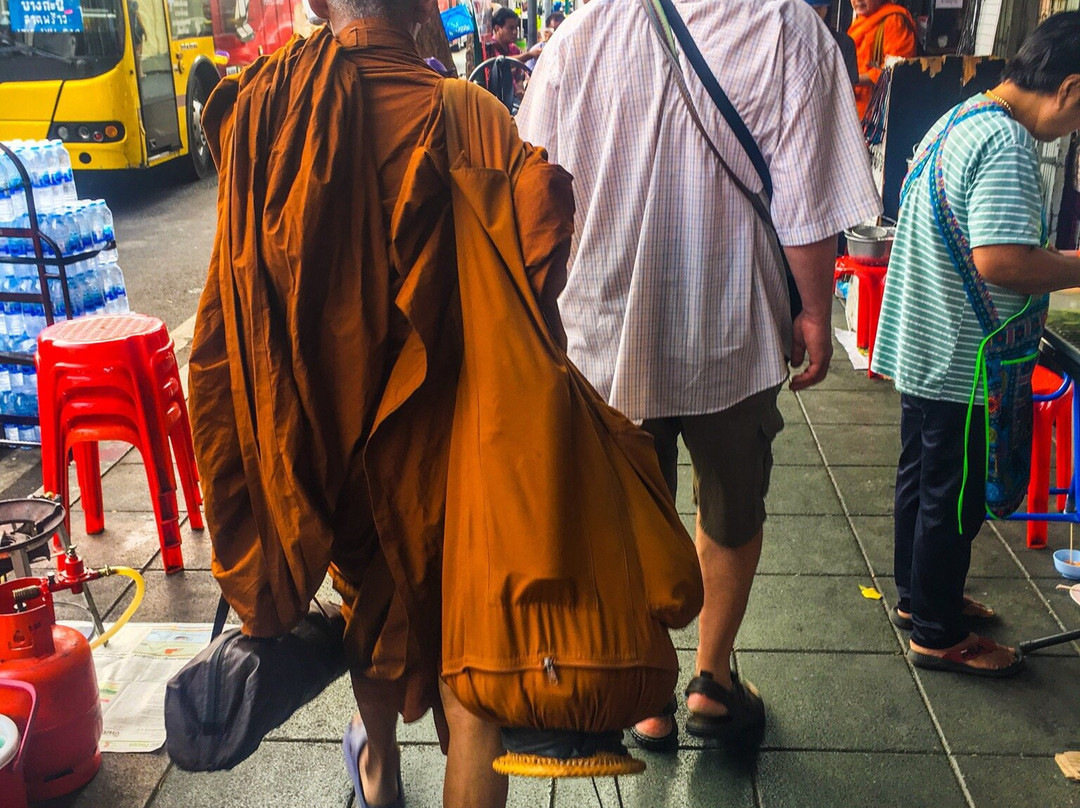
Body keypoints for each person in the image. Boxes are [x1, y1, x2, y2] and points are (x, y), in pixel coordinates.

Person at [187, 0, 574, 805]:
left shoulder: (266, 107)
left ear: (324, 6)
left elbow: (236, 306)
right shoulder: (467, 112)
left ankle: (378, 773)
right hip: (453, 439)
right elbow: (538, 287)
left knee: (368, 602)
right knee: (473, 656)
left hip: (330, 432)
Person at [517, 0, 881, 755]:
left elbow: (533, 187)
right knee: (732, 502)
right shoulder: (786, 28)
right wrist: (814, 311)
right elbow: (807, 202)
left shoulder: (582, 32)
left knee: (625, 518)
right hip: (733, 328)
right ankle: (711, 683)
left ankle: (646, 693)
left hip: (609, 329)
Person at [871, 12, 1080, 677]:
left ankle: (918, 598)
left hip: (921, 343)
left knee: (922, 483)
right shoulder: (1008, 145)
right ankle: (937, 633)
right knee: (953, 500)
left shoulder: (959, 119)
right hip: (964, 362)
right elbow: (1001, 260)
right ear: (1070, 89)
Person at [848, 0, 916, 120]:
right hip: (855, 108)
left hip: (878, 115)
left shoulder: (894, 20)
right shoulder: (861, 21)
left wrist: (852, 79)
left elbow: (896, 69)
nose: (857, 0)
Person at [806, 0, 857, 87]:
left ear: (826, 9)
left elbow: (848, 90)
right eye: (808, 10)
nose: (813, 15)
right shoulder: (786, 42)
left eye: (817, 10)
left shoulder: (844, 44)